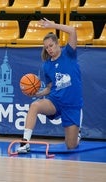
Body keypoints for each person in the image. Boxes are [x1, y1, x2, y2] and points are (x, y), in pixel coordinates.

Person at [17, 18, 83, 153]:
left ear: (58, 44)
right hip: (55, 101)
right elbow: (50, 87)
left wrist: (53, 25)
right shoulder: (47, 65)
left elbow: (72, 31)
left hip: (72, 104)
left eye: (51, 45)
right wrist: (39, 94)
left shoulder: (69, 53)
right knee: (35, 105)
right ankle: (25, 143)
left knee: (71, 146)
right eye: (47, 48)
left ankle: (77, 135)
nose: (49, 49)